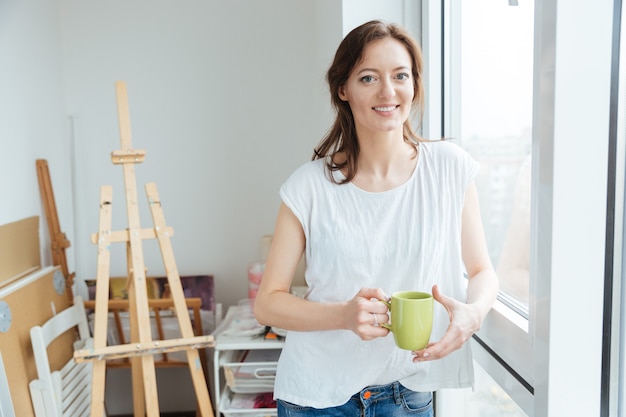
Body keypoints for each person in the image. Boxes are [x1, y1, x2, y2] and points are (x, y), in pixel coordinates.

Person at [254, 19, 499, 417]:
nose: (388, 91)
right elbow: (268, 304)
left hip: (407, 393)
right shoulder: (308, 186)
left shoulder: (450, 170)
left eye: (400, 75)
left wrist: (473, 313)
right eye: (369, 78)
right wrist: (343, 315)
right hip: (317, 397)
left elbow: (482, 269)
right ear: (343, 89)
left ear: (414, 84)